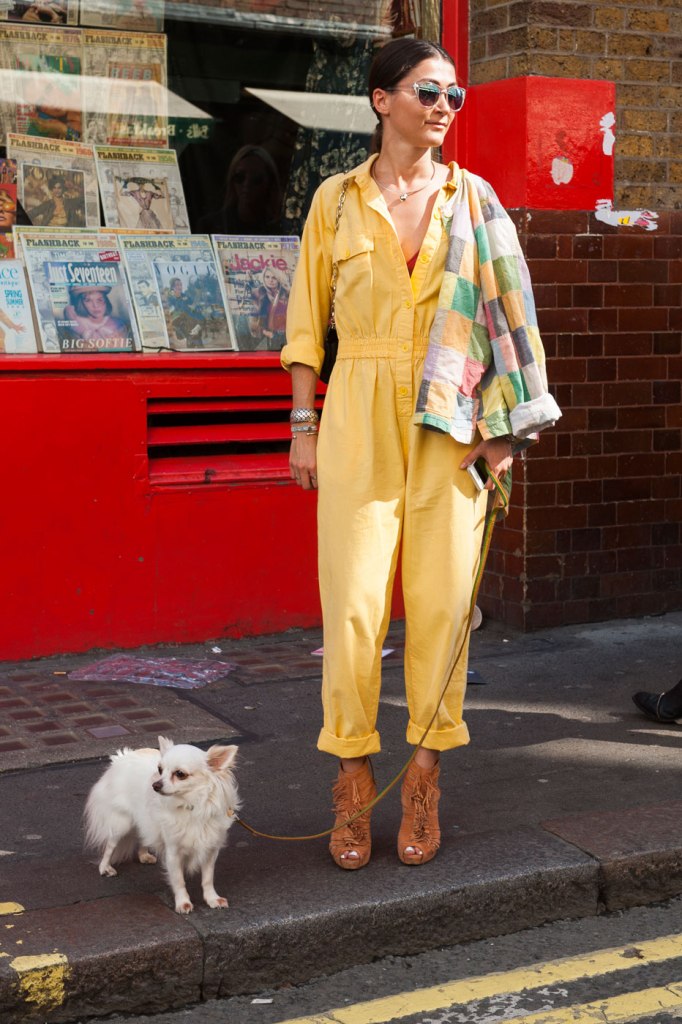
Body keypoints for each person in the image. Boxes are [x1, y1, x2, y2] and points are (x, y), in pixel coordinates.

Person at [281, 37, 560, 871]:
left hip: (454, 425)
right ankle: (352, 779)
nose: (444, 105)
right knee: (356, 609)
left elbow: (514, 319)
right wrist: (301, 424)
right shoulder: (334, 204)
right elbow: (306, 325)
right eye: (427, 90)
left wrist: (504, 435)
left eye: (454, 95)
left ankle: (425, 777)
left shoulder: (475, 200)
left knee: (440, 611)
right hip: (358, 412)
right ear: (380, 99)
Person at [197, 145, 282, 235]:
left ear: (270, 183)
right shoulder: (210, 225)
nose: (246, 184)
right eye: (240, 177)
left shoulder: (279, 228)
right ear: (232, 179)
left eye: (256, 178)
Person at [63, 285, 128, 348]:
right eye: (88, 300)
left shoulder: (118, 324)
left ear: (106, 301)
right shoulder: (77, 322)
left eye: (99, 300)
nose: (95, 306)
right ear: (81, 303)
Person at [249, 266, 289, 348]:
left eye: (274, 277)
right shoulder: (259, 294)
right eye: (267, 277)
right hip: (271, 335)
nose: (270, 280)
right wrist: (267, 333)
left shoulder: (287, 293)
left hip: (289, 334)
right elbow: (254, 318)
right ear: (263, 278)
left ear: (279, 279)